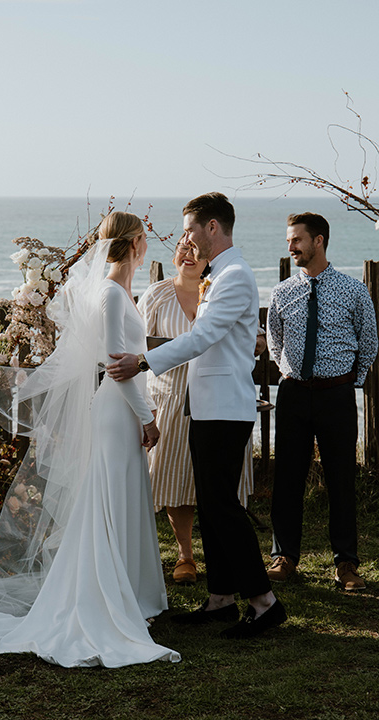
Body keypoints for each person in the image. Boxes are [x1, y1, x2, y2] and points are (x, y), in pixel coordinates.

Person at [0, 211, 180, 668]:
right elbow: (114, 363)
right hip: (116, 411)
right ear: (134, 243)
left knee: (125, 497)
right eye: (144, 240)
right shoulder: (108, 293)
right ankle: (105, 596)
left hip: (127, 410)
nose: (148, 248)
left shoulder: (122, 292)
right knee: (107, 500)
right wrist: (148, 418)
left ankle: (135, 595)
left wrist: (146, 409)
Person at [107, 192, 286, 639]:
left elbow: (203, 335)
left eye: (189, 229)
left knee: (224, 507)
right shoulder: (218, 273)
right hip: (205, 407)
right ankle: (221, 598)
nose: (184, 237)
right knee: (210, 505)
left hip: (226, 409)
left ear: (211, 228)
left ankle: (264, 604)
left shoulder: (235, 277)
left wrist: (144, 361)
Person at [139, 239, 265, 584]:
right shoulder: (156, 295)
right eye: (182, 247)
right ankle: (185, 554)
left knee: (215, 488)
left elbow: (246, 334)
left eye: (194, 248)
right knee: (175, 478)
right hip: (171, 398)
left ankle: (222, 568)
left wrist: (257, 341)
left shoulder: (222, 286)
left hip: (216, 400)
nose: (188, 254)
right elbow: (136, 342)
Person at [266, 212, 378, 590]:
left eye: (297, 240)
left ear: (319, 240)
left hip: (337, 397)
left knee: (342, 480)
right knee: (287, 479)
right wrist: (288, 374)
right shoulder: (281, 293)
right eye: (288, 242)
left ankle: (346, 564)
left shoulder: (353, 291)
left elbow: (370, 341)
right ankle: (285, 557)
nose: (291, 247)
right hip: (295, 395)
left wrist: (352, 382)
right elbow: (274, 341)